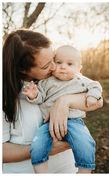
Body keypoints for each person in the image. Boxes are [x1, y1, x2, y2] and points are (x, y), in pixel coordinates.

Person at [3, 29, 103, 173]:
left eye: (53, 59)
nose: (54, 67)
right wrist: (49, 149)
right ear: (23, 70)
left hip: (68, 169)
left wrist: (64, 101)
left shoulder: (61, 79)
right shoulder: (8, 94)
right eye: (46, 66)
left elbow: (98, 101)